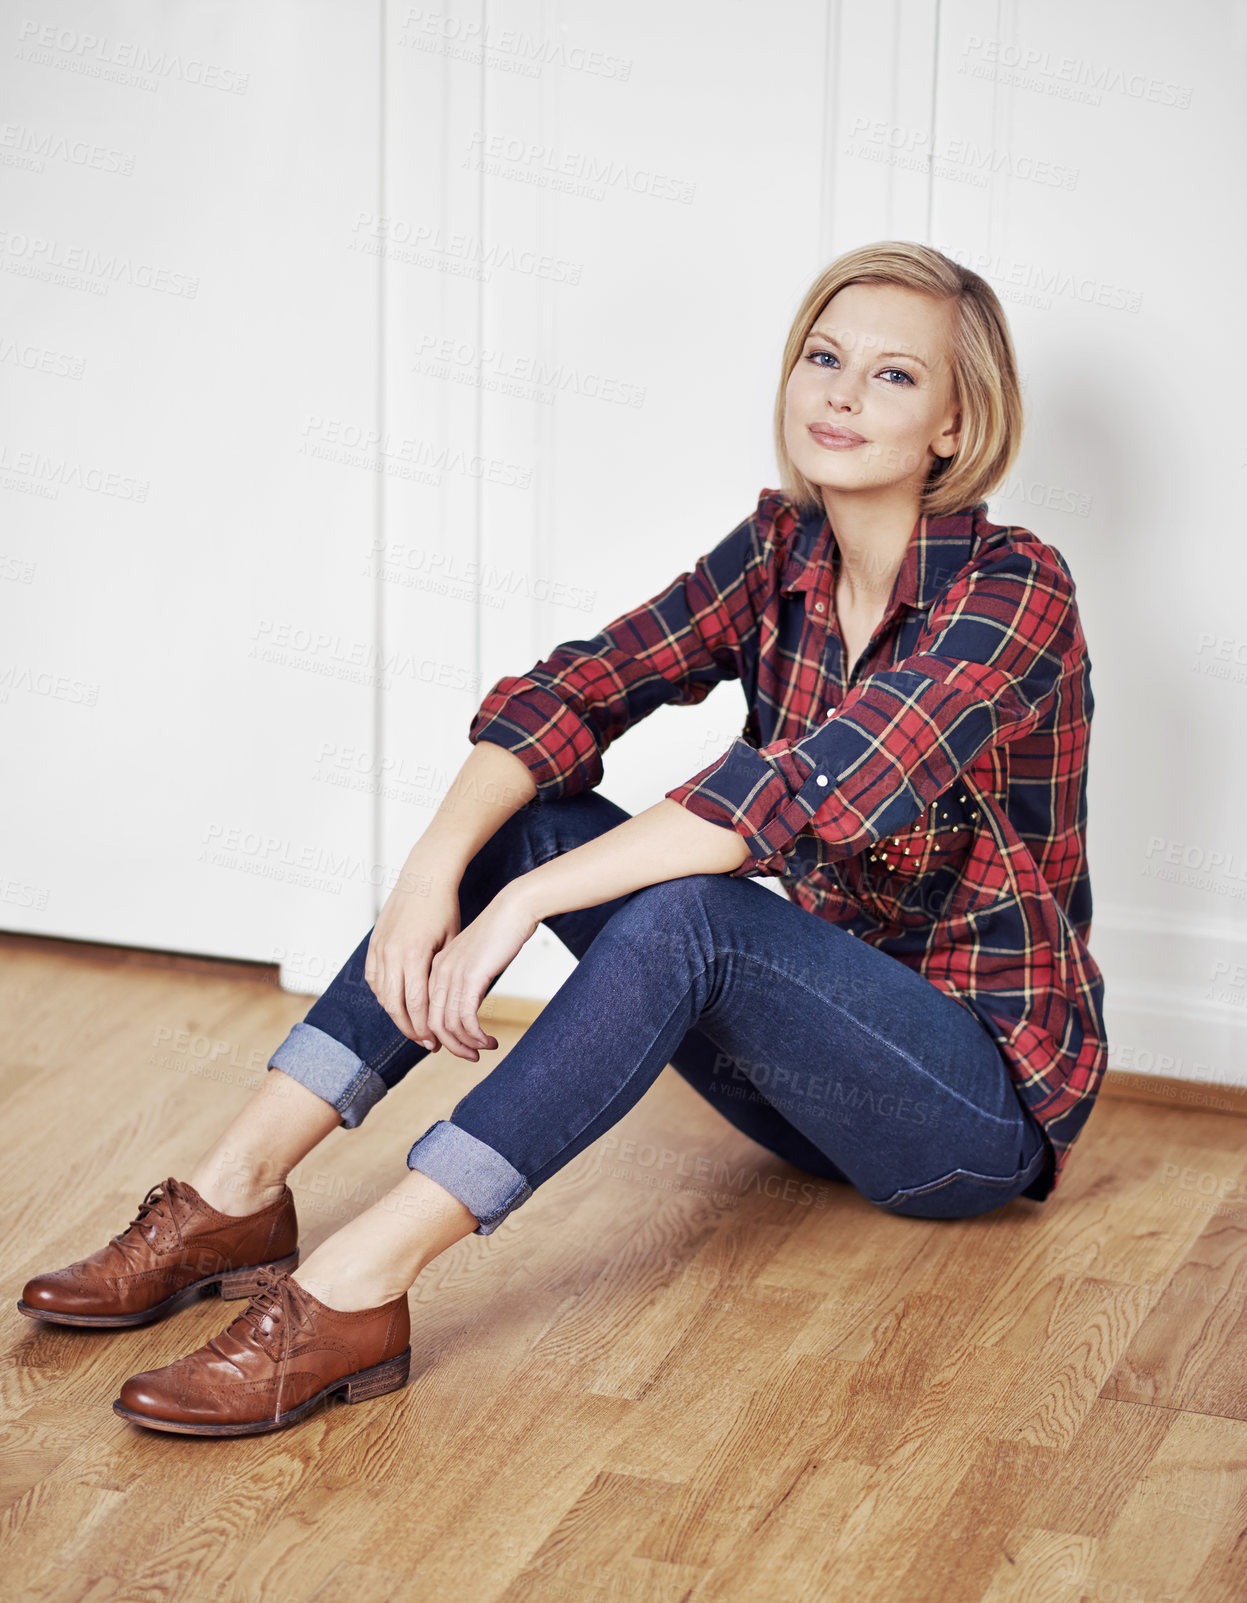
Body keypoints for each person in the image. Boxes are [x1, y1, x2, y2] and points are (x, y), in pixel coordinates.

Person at [18, 240, 1108, 1437]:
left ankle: (352, 1287)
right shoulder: (776, 556)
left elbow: (786, 797)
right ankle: (231, 1195)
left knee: (690, 907)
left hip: (961, 1116)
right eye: (822, 356)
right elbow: (573, 691)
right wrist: (433, 875)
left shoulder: (1014, 595)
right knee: (527, 814)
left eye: (893, 377)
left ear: (956, 424)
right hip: (804, 1092)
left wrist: (518, 910)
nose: (840, 394)